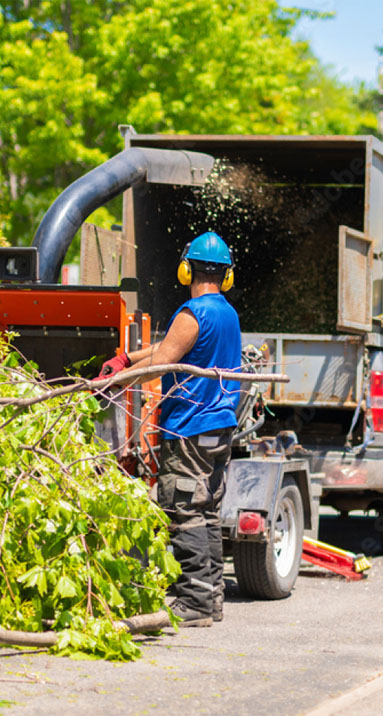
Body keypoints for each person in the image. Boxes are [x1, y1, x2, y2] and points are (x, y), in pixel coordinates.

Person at [97, 231, 242, 627]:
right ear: (225, 276)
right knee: (206, 510)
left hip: (190, 429)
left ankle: (193, 603)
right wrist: (126, 357)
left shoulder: (193, 314)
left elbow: (162, 363)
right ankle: (210, 600)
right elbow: (169, 348)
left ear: (186, 269)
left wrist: (110, 385)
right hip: (219, 427)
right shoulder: (225, 313)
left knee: (183, 510)